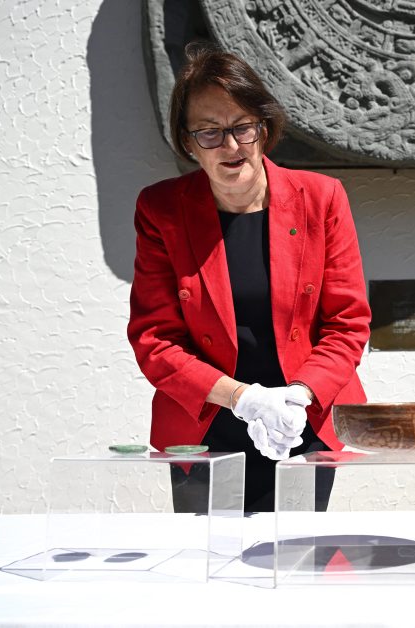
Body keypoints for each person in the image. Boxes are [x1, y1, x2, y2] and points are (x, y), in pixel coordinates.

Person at [127, 44, 370, 512]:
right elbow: (155, 339)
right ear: (187, 141)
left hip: (302, 422)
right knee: (208, 553)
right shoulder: (161, 211)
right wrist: (243, 399)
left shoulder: (321, 198)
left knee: (299, 552)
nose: (232, 146)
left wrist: (297, 397)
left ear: (264, 128)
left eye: (242, 127)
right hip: (206, 426)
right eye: (210, 132)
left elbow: (348, 324)